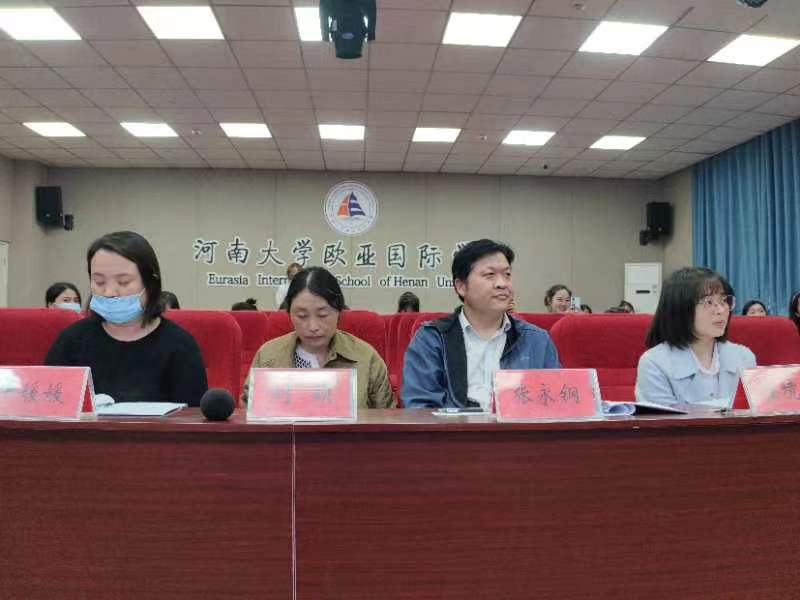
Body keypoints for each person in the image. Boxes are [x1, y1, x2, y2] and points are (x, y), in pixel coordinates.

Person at [45, 231, 208, 405]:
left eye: (123, 282)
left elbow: (193, 416)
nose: (109, 292)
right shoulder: (71, 341)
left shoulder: (180, 346)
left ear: (150, 283)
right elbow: (47, 405)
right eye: (99, 282)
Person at [402, 239, 560, 409]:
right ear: (461, 286)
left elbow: (555, 403)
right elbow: (420, 408)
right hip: (453, 427)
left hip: (517, 427)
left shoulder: (537, 340)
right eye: (490, 275)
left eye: (507, 274)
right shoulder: (432, 339)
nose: (502, 283)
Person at [249, 266, 393, 409]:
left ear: (339, 311)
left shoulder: (366, 358)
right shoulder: (267, 357)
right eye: (302, 316)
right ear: (289, 314)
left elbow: (388, 418)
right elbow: (248, 416)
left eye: (322, 315)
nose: (313, 327)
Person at [635, 267, 755, 407]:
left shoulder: (743, 356)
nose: (721, 310)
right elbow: (663, 419)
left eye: (723, 300)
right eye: (709, 302)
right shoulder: (654, 363)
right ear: (680, 308)